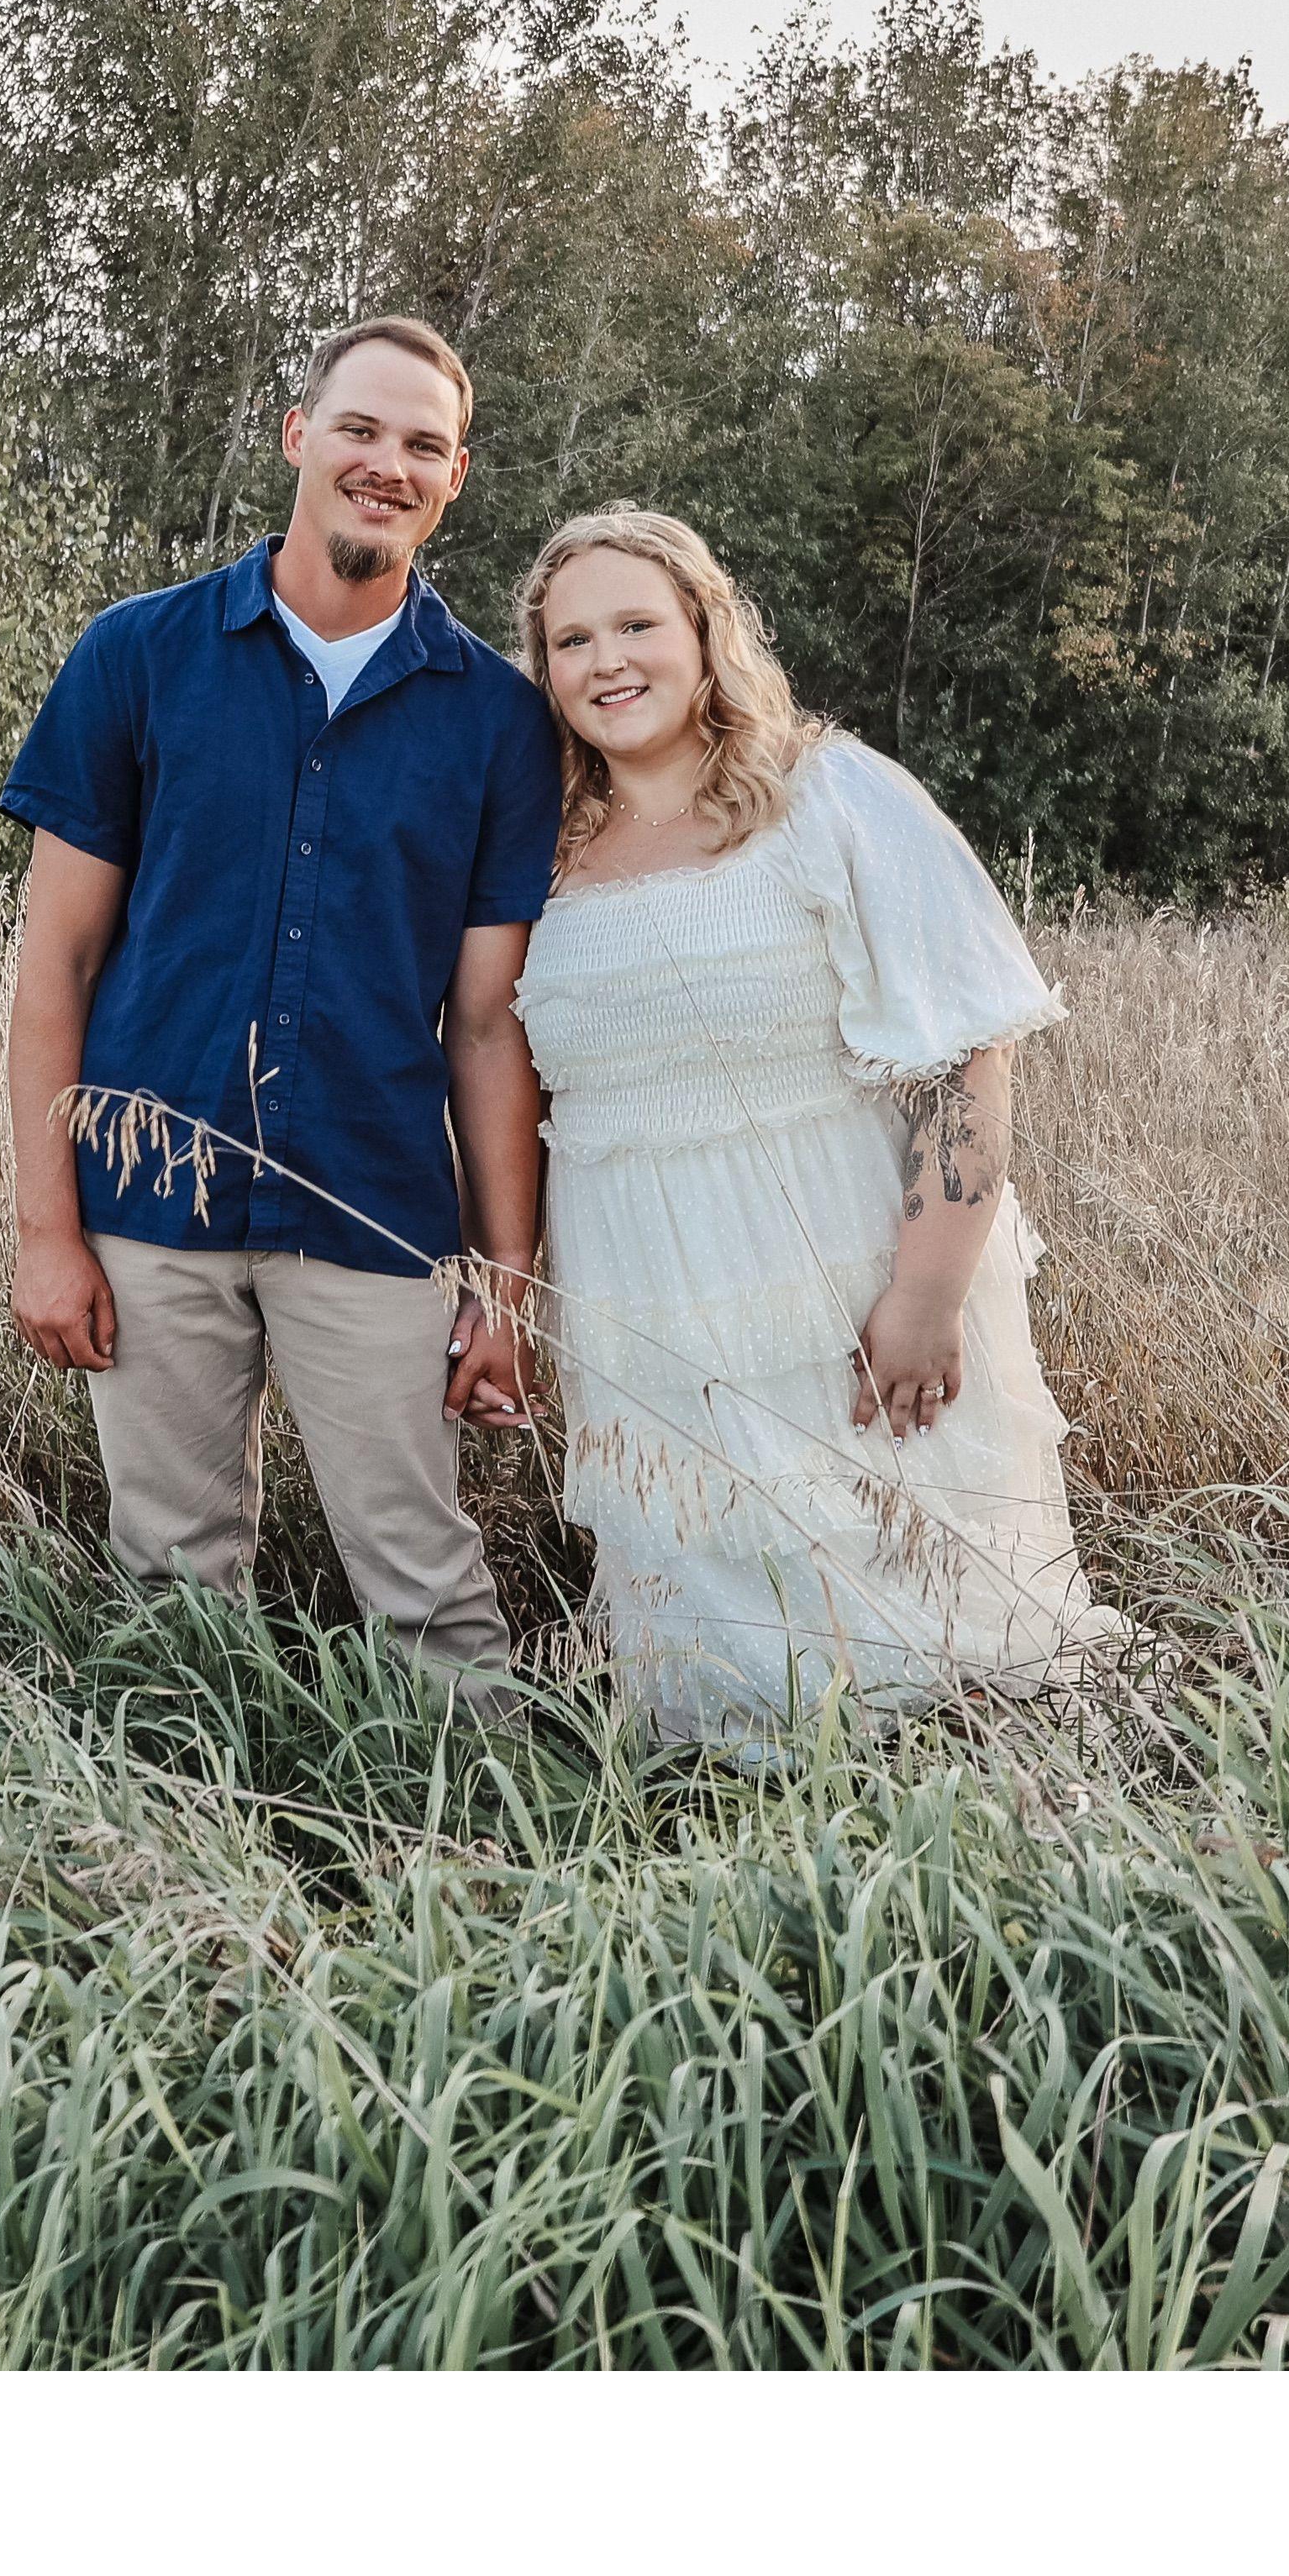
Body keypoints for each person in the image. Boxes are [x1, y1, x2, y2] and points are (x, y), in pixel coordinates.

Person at [0, 318, 560, 1706]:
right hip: (148, 1203)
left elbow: (490, 1027)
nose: (387, 464)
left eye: (423, 445)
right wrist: (47, 1232)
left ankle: (489, 1825)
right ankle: (176, 1830)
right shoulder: (138, 656)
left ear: (456, 477)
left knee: (425, 1580)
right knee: (169, 1575)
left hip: (375, 1211)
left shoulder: (499, 720)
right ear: (300, 435)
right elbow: (56, 967)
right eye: (360, 428)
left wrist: (505, 1282)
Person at [508, 502, 1123, 1754]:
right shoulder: (534, 848)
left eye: (637, 625)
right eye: (572, 641)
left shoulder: (831, 793)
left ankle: (978, 1810)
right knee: (728, 1650)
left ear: (704, 629)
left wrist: (927, 1296)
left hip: (845, 1273)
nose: (607, 661)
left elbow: (969, 1056)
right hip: (645, 1295)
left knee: (924, 1614)